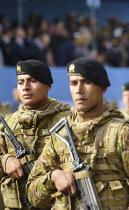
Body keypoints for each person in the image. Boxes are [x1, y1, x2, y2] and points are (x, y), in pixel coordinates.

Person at [27, 57, 129, 209]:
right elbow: (33, 196)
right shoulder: (61, 134)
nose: (79, 90)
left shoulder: (125, 132)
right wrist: (53, 177)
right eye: (73, 83)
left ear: (102, 88)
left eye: (86, 82)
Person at [0, 59, 70, 209]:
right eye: (20, 82)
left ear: (48, 85)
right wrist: (5, 161)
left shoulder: (66, 119)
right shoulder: (9, 123)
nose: (25, 87)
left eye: (32, 81)